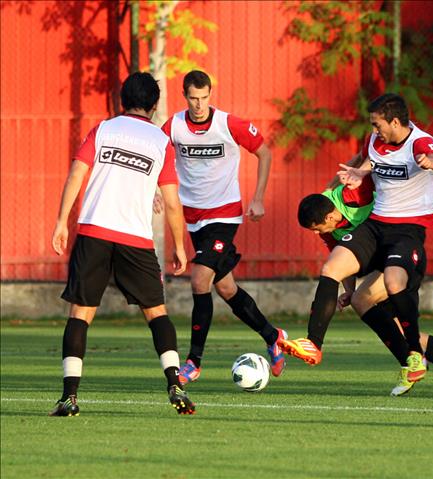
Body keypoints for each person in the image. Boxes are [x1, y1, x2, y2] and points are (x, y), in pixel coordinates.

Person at [49, 72, 194, 416]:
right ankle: (175, 383)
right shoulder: (160, 142)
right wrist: (179, 245)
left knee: (80, 314)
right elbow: (172, 202)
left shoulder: (103, 130)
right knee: (156, 313)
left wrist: (61, 221)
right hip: (136, 240)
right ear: (154, 105)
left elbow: (77, 174)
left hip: (94, 233)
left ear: (122, 100)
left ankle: (69, 397)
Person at [281, 93, 433, 391]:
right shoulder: (375, 141)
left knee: (394, 284)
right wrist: (358, 172)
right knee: (332, 267)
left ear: (394, 121)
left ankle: (414, 353)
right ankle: (313, 344)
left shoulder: (420, 142)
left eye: (376, 124)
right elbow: (367, 159)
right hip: (377, 223)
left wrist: (429, 162)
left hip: (409, 228)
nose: (373, 130)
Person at [297, 175, 433, 396]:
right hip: (380, 261)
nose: (316, 233)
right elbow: (341, 259)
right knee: (398, 330)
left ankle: (411, 363)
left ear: (330, 216)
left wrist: (360, 168)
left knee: (363, 300)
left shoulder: (352, 195)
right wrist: (349, 291)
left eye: (317, 228)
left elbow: (376, 170)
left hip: (401, 252)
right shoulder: (329, 228)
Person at [160, 70, 288, 384]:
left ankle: (193, 362)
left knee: (199, 280)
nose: (199, 104)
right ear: (184, 96)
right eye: (193, 98)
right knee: (226, 288)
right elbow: (155, 156)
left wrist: (258, 198)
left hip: (225, 215)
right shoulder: (173, 127)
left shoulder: (229, 124)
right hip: (193, 219)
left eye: (204, 98)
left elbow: (264, 153)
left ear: (210, 94)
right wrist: (154, 191)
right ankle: (273, 337)